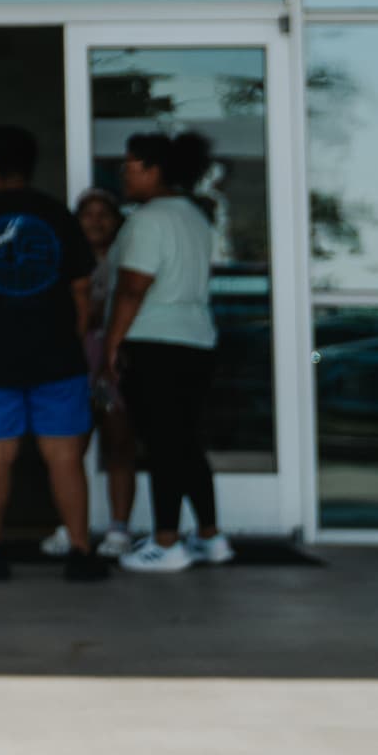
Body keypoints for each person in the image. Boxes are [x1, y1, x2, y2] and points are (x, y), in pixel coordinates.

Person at [0, 125, 109, 583]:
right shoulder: (58, 216)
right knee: (66, 457)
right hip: (57, 357)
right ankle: (81, 553)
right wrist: (69, 336)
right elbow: (82, 287)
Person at [106, 130, 234, 574]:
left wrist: (110, 344)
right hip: (197, 340)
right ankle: (210, 536)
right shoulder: (197, 218)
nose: (123, 173)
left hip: (155, 342)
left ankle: (165, 542)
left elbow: (132, 289)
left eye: (131, 166)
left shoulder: (148, 219)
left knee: (163, 444)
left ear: (154, 170)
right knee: (185, 441)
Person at [50, 187, 139, 558]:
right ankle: (72, 528)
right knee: (70, 446)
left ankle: (119, 528)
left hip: (114, 363)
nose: (97, 221)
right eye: (88, 214)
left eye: (104, 214)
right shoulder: (66, 260)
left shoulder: (127, 259)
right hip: (77, 362)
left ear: (117, 221)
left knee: (119, 441)